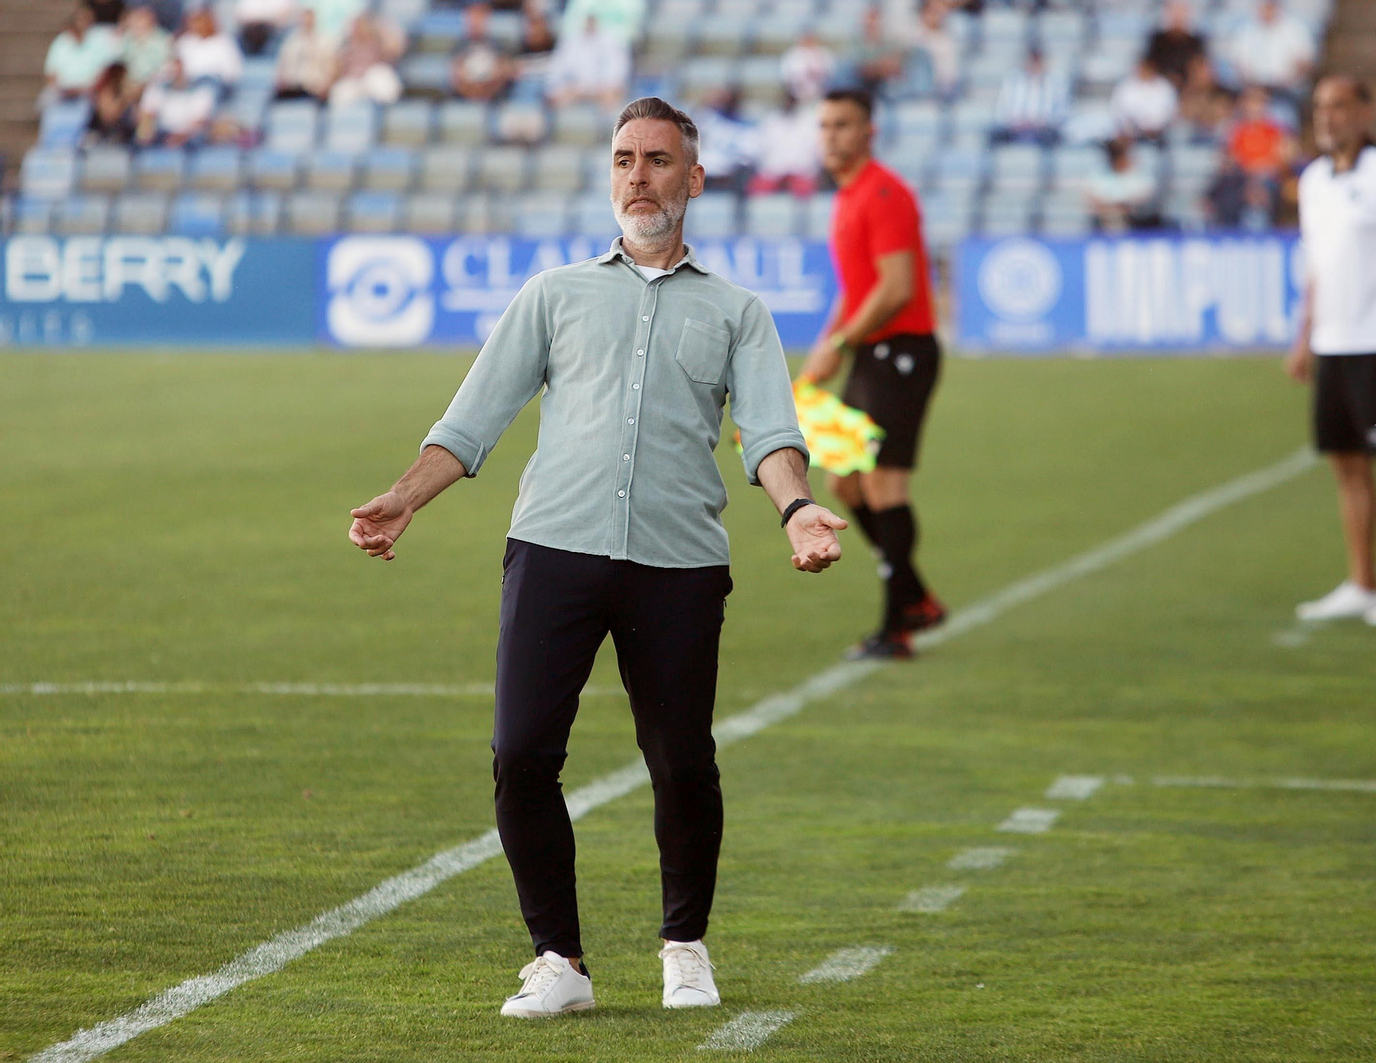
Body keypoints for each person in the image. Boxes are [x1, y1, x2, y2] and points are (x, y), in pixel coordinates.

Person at [347, 96, 845, 1020]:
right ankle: (559, 961)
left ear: (692, 179)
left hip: (678, 563)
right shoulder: (554, 293)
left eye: (658, 160)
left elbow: (771, 433)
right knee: (521, 754)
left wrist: (798, 510)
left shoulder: (738, 311)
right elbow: (475, 418)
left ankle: (685, 947)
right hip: (553, 551)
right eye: (623, 159)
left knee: (681, 760)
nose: (638, 176)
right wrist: (403, 497)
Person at [801, 88, 945, 661]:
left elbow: (897, 287)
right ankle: (914, 597)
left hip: (901, 351)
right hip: (875, 352)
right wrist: (826, 345)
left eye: (843, 124)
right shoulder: (848, 196)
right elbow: (860, 289)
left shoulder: (883, 192)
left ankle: (898, 626)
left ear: (868, 131)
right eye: (825, 125)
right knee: (846, 483)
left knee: (883, 486)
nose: (832, 135)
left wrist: (841, 341)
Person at [1286, 76, 1376, 627]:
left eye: (1340, 106)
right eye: (1321, 107)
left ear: (1365, 113)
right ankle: (1362, 580)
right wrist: (1304, 337)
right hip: (1334, 342)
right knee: (1346, 465)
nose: (1328, 117)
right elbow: (1316, 266)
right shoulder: (1315, 181)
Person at [1226, 0, 1315, 101]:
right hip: (1252, 92)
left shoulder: (1296, 29)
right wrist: (1253, 84)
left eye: (1270, 5)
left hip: (1286, 92)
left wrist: (1289, 79)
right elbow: (1237, 65)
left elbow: (1306, 65)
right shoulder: (1245, 30)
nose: (1267, 9)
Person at [545, 14, 629, 109]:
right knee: (556, 96)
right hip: (574, 90)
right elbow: (555, 74)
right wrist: (575, 89)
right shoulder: (570, 43)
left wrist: (594, 90)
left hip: (602, 90)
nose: (589, 24)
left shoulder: (612, 42)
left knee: (613, 96)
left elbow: (617, 76)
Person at [991, 46, 1070, 146]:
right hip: (1015, 128)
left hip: (1043, 130)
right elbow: (1001, 110)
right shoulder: (1013, 81)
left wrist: (1041, 122)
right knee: (995, 136)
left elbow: (1061, 113)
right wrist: (1016, 122)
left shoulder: (1055, 82)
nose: (1034, 66)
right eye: (1032, 62)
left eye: (1037, 62)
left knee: (1054, 137)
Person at [42, 5, 119, 105]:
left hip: (90, 92)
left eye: (86, 19)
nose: (83, 22)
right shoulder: (62, 40)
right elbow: (50, 72)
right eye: (80, 19)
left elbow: (106, 70)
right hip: (62, 91)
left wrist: (86, 89)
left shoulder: (100, 40)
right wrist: (60, 89)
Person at [747, 92, 820, 196]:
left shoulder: (809, 121)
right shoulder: (770, 121)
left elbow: (815, 151)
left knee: (806, 190)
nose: (788, 104)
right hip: (774, 172)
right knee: (756, 189)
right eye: (786, 101)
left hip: (801, 171)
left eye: (791, 101)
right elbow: (760, 149)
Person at [135, 57, 216, 145]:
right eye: (173, 72)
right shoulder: (158, 89)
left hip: (188, 135)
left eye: (179, 71)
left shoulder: (200, 91)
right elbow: (146, 113)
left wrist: (180, 136)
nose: (176, 75)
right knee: (143, 135)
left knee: (198, 138)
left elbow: (200, 121)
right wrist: (147, 128)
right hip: (162, 133)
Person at [1087, 137, 1159, 232]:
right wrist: (1113, 207)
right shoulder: (1099, 173)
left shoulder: (1139, 174)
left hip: (1136, 221)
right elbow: (1092, 198)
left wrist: (1124, 206)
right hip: (1104, 220)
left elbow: (1145, 197)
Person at [451, 3, 514, 101]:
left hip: (493, 98)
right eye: (472, 18)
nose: (475, 22)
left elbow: (503, 72)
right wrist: (472, 92)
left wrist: (486, 90)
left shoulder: (498, 47)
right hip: (465, 97)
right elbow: (455, 75)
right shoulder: (459, 47)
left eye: (479, 18)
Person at [274, 9, 338, 101]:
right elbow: (281, 66)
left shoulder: (325, 43)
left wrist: (326, 86)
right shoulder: (291, 42)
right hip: (293, 85)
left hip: (314, 86)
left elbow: (331, 68)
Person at [1110, 57, 1179, 141]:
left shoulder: (1165, 87)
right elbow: (1118, 112)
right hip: (1132, 135)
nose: (1144, 71)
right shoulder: (1125, 87)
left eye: (1147, 68)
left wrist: (1155, 126)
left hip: (1160, 135)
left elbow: (1171, 112)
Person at [174, 8, 242, 92]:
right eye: (193, 22)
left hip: (212, 83)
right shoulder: (185, 42)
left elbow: (232, 71)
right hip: (188, 82)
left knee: (205, 90)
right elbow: (176, 65)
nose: (196, 25)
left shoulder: (223, 42)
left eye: (200, 21)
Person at [1145, 0, 1206, 88]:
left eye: (1181, 13)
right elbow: (1150, 64)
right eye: (1174, 13)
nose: (1178, 17)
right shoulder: (1157, 40)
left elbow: (1199, 65)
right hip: (1160, 86)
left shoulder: (1196, 41)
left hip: (1188, 87)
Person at [118, 5, 172, 88]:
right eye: (135, 19)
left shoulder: (163, 40)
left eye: (140, 19)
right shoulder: (126, 39)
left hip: (153, 84)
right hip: (128, 84)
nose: (136, 23)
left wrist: (146, 82)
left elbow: (165, 67)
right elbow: (120, 63)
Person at [85, 61, 139, 143]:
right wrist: (123, 100)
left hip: (123, 135)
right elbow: (108, 117)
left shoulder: (128, 93)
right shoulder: (104, 93)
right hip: (103, 133)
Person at [780, 29, 835, 104]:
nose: (808, 40)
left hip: (820, 95)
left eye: (810, 38)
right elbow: (787, 78)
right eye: (805, 38)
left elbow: (831, 75)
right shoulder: (791, 55)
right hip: (797, 96)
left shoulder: (824, 54)